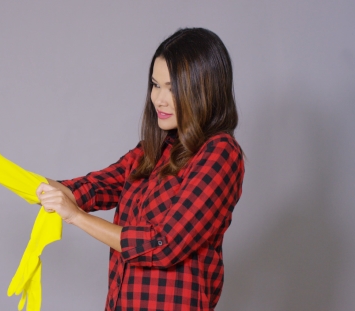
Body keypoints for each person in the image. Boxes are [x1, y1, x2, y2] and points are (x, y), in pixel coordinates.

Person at [36, 28, 245, 311]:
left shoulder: (220, 153)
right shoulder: (151, 150)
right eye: (155, 85)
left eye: (173, 88)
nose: (158, 98)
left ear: (203, 89)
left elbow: (165, 243)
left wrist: (76, 217)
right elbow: (88, 189)